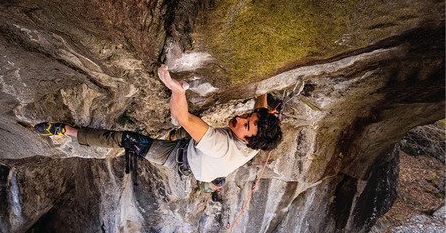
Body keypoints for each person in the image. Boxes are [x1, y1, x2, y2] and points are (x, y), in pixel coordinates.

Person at [34, 65, 282, 190]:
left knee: (128, 139)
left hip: (179, 159)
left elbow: (184, 117)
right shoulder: (260, 138)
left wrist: (177, 91)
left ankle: (66, 130)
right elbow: (261, 109)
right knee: (205, 156)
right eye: (247, 116)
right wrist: (264, 86)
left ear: (248, 141)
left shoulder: (221, 145)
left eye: (245, 125)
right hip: (203, 155)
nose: (240, 118)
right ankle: (215, 180)